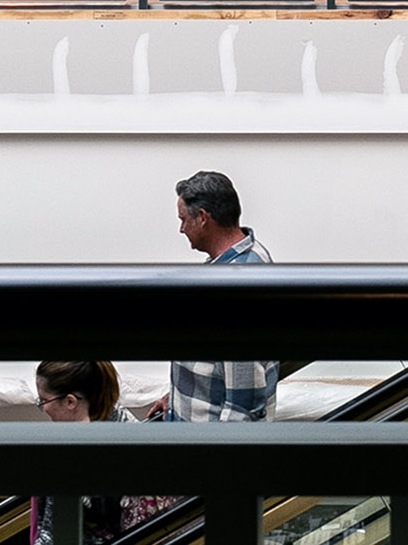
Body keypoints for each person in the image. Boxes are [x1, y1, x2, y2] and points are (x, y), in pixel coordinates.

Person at [167, 170, 278, 423]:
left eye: (184, 219)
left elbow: (244, 401)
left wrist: (221, 457)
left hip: (209, 445)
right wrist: (174, 396)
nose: (181, 229)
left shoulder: (237, 288)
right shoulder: (245, 256)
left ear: (203, 218)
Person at [30, 360, 163, 545]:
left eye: (43, 401)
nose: (43, 408)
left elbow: (53, 536)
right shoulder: (117, 417)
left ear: (70, 401)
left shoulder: (78, 457)